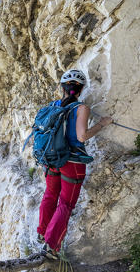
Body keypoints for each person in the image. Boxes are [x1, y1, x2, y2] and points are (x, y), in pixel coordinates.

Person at [37, 69, 112, 258]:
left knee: (50, 194)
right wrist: (102, 124)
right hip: (72, 163)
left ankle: (42, 233)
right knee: (66, 204)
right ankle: (51, 245)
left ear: (62, 88)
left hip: (52, 160)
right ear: (80, 89)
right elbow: (82, 136)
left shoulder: (53, 106)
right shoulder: (81, 108)